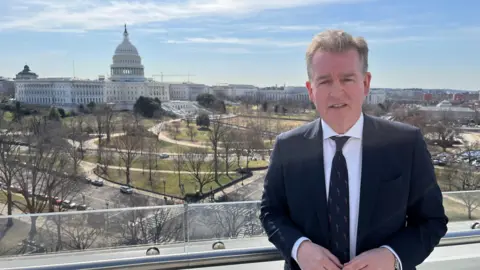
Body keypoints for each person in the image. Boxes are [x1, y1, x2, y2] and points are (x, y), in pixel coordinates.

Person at [259, 29, 448, 270]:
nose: (336, 91)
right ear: (310, 90)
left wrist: (392, 256)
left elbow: (432, 221)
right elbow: (271, 213)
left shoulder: (406, 144)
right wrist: (299, 248)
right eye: (324, 81)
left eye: (347, 79)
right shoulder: (288, 146)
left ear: (366, 83)